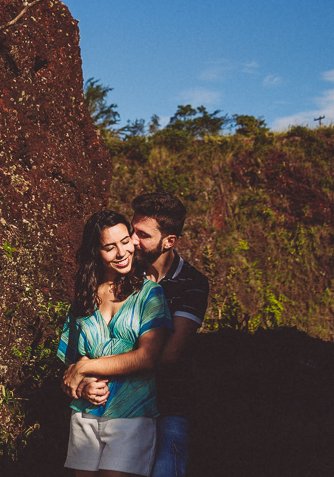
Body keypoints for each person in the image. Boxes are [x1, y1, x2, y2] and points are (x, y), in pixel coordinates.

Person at [58, 209, 173, 477]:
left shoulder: (150, 294)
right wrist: (83, 384)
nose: (122, 253)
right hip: (85, 414)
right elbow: (70, 367)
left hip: (131, 415)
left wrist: (86, 368)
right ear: (95, 252)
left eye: (125, 241)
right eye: (110, 247)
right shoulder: (83, 298)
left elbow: (147, 357)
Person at [130, 192, 210, 477]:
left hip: (169, 406)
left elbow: (171, 353)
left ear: (169, 241)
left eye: (143, 234)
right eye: (132, 231)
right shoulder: (124, 275)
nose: (133, 240)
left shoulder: (193, 282)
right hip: (121, 407)